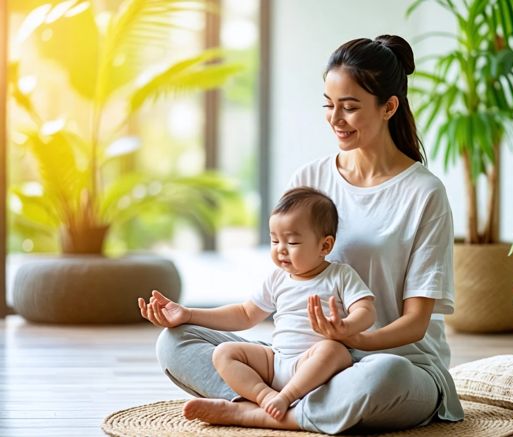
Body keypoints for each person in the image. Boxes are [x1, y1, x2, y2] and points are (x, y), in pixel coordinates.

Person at [142, 34, 464, 434]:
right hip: (298, 363)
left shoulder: (424, 193)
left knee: (384, 378)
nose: (335, 119)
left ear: (389, 107)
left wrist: (354, 337)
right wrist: (187, 314)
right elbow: (270, 294)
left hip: (391, 362)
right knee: (175, 341)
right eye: (329, 106)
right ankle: (295, 405)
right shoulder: (310, 180)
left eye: (350, 108)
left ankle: (257, 412)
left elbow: (416, 323)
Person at [139, 187, 376, 422]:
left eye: (292, 242)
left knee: (332, 350)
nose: (281, 249)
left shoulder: (339, 275)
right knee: (225, 353)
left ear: (324, 246)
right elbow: (244, 314)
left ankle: (286, 398)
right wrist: (188, 314)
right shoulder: (277, 278)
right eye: (274, 240)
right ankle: (265, 398)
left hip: (314, 363)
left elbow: (366, 311)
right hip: (276, 362)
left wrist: (345, 326)